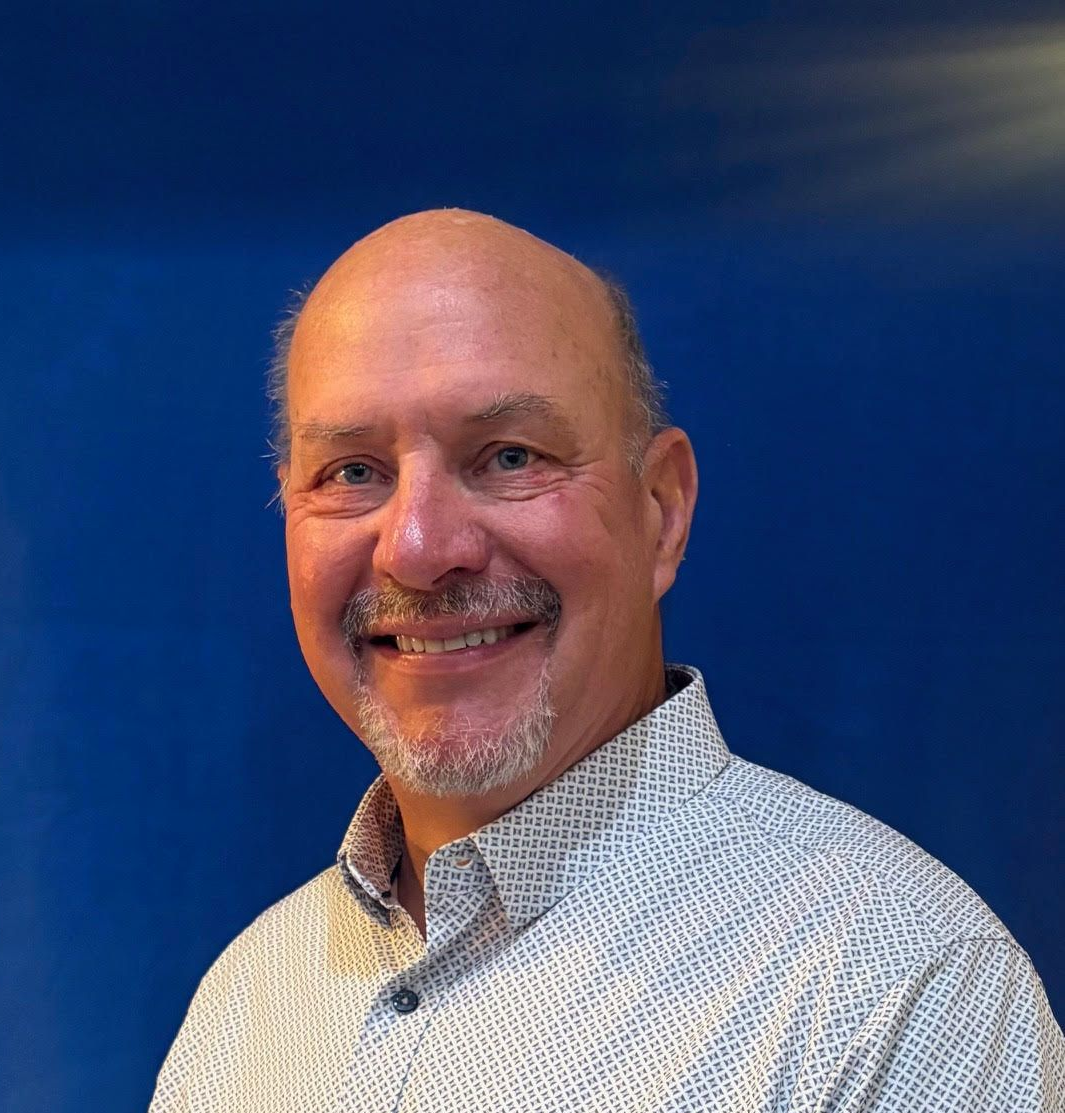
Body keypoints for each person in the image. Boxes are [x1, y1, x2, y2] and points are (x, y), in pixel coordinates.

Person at [150, 209, 1063, 1112]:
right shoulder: (247, 1004)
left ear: (660, 511)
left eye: (509, 455)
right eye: (352, 472)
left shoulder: (905, 995)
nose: (420, 548)